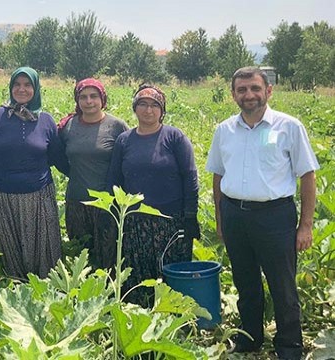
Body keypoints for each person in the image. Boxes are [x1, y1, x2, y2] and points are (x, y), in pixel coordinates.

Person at [206, 67, 318, 360]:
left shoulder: (289, 127)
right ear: (233, 95)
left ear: (268, 91)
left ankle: (289, 346)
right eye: (242, 90)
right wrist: (221, 220)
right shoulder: (224, 130)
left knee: (282, 285)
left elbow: (307, 176)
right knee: (245, 282)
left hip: (275, 216)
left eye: (255, 88)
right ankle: (250, 338)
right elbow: (218, 176)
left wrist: (305, 226)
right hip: (234, 215)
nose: (249, 95)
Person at [106, 84, 199, 307]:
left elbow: (190, 177)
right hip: (135, 221)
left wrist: (190, 216)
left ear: (162, 110)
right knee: (139, 275)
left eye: (154, 105)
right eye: (143, 105)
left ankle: (172, 321)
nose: (148, 110)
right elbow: (114, 180)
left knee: (170, 274)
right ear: (135, 109)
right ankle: (141, 319)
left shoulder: (174, 137)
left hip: (170, 220)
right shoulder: (125, 140)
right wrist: (113, 214)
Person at [0, 67, 68, 280]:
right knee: (11, 252)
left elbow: (59, 159)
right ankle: (16, 296)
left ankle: (47, 297)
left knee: (46, 251)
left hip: (39, 195)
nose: (21, 89)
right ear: (10, 87)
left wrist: (88, 175)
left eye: (27, 85)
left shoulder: (46, 121)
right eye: (17, 84)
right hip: (1, 196)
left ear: (36, 88)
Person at [57, 78, 129, 269]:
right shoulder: (68, 127)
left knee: (108, 257)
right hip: (76, 201)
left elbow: (127, 160)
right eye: (83, 97)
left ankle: (110, 296)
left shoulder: (117, 126)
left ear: (102, 99)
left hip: (107, 204)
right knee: (81, 258)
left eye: (93, 96)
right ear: (77, 100)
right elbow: (58, 157)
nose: (89, 101)